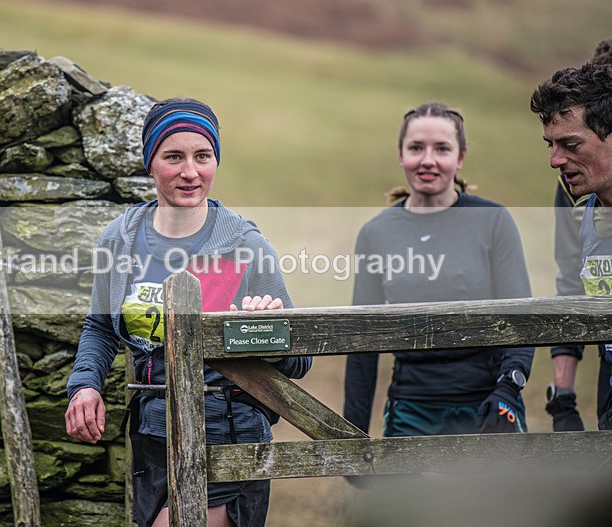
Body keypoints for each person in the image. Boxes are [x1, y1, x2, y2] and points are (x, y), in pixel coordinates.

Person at [65, 97, 312, 527]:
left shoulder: (246, 246)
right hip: (151, 441)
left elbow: (300, 360)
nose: (190, 172)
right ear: (150, 163)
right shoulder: (120, 240)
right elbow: (101, 328)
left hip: (227, 440)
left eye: (203, 156)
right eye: (173, 156)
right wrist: (84, 386)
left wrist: (266, 332)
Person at [343, 102, 534, 437]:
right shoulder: (375, 233)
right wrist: (352, 440)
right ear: (401, 155)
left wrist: (508, 388)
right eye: (416, 148)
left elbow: (522, 317)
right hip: (410, 409)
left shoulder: (493, 220)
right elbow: (362, 342)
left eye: (442, 149)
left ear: (460, 158)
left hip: (489, 402)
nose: (428, 160)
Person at [531, 61, 612, 429]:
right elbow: (571, 289)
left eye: (570, 144)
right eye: (551, 145)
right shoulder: (583, 211)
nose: (554, 160)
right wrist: (562, 399)